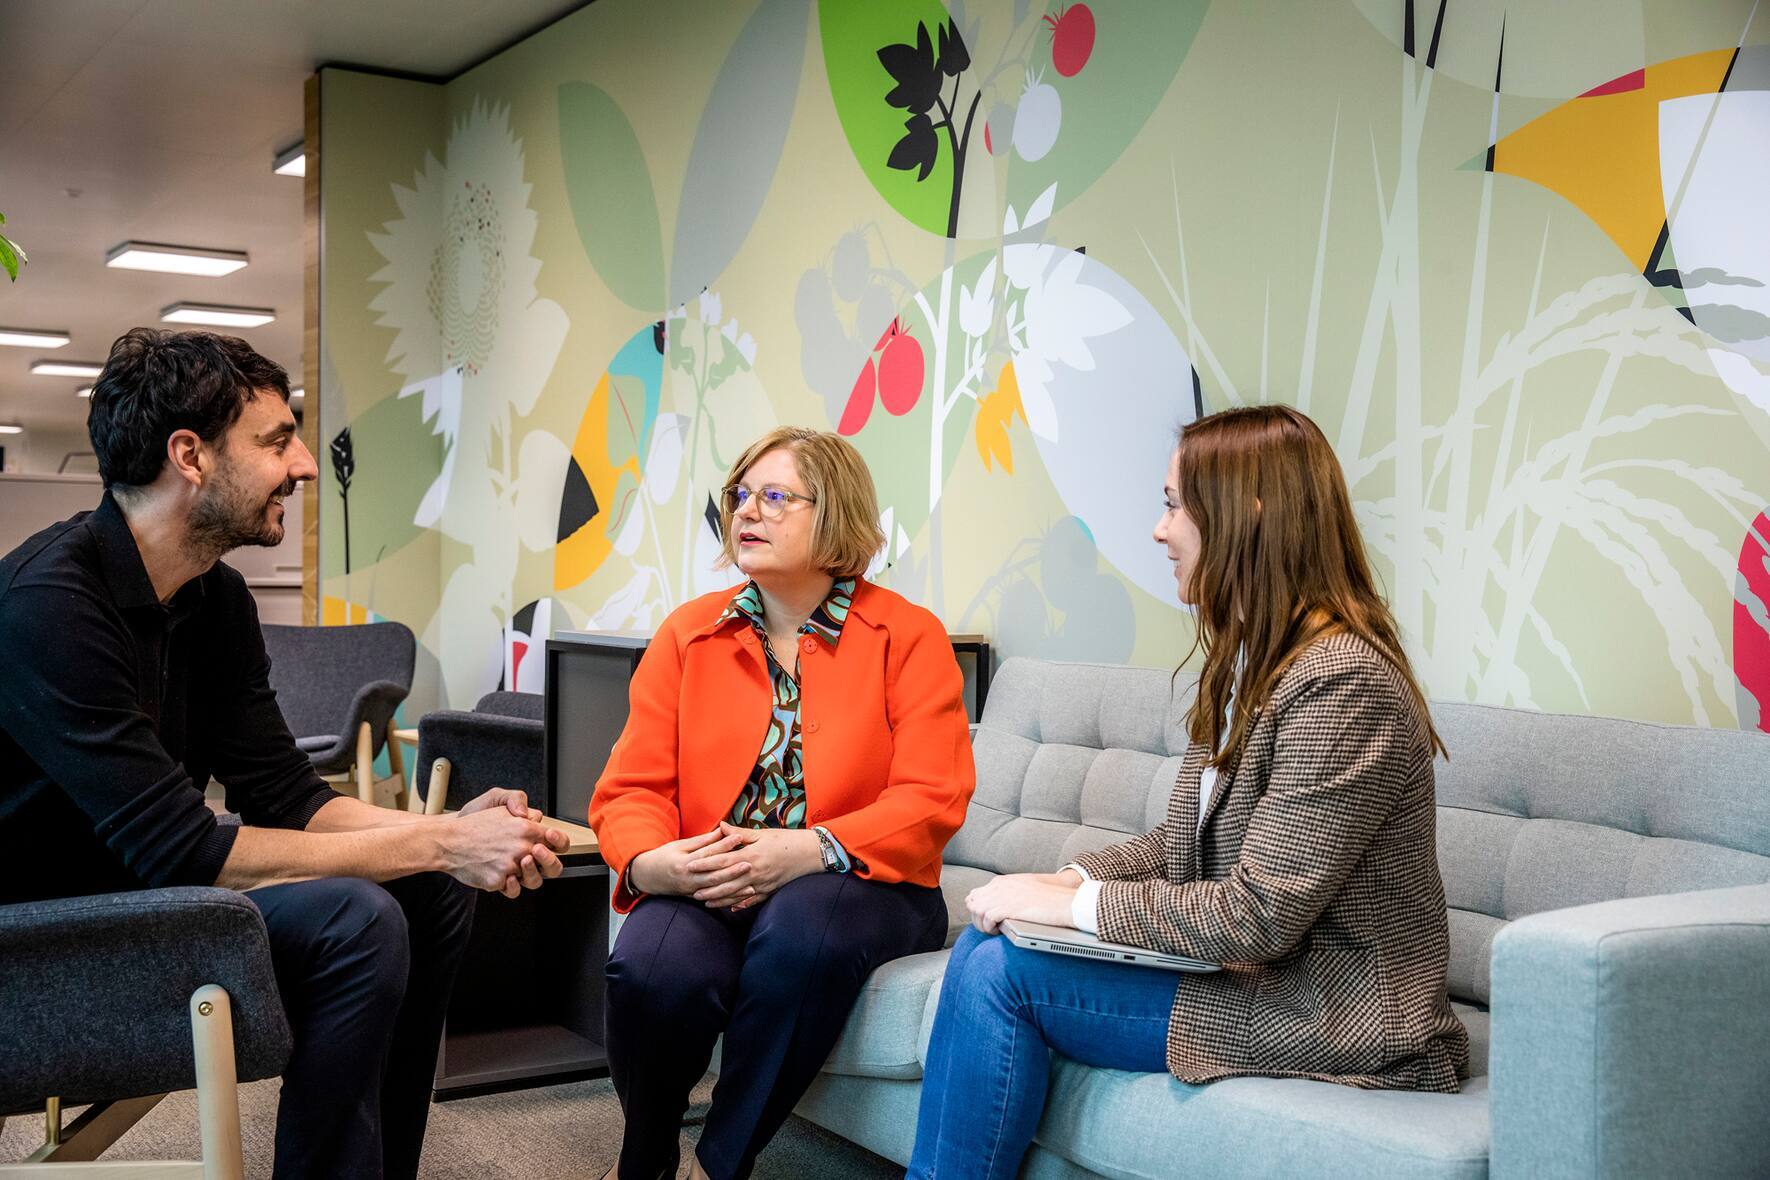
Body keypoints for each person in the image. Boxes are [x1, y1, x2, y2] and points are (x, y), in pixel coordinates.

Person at [0, 328, 571, 1180]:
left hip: (148, 907)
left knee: (427, 892)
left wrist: (448, 838)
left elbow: (286, 793)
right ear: (189, 455)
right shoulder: (47, 604)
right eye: (275, 441)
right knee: (357, 917)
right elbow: (190, 852)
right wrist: (444, 840)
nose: (305, 464)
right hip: (44, 951)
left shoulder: (215, 597)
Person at [907, 404, 1469, 1179]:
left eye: (1173, 504)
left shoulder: (1343, 683)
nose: (1158, 530)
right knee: (987, 947)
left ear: (1249, 515)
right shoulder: (1248, 659)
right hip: (1250, 976)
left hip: (1333, 1010)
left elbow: (1258, 914)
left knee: (1003, 974)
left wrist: (1069, 911)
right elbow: (1182, 849)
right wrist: (1068, 879)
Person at [587, 426, 975, 1180]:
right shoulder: (689, 633)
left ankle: (718, 1163)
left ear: (833, 513)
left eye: (773, 497)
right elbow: (632, 786)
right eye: (739, 496)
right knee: (651, 967)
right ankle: (645, 1159)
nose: (746, 513)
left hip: (863, 884)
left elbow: (935, 796)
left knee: (803, 927)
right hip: (717, 877)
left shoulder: (908, 635)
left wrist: (807, 849)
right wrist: (652, 862)